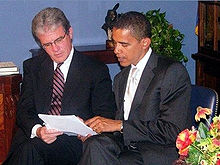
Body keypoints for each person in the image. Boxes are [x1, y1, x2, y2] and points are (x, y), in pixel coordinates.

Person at [3, 7, 115, 165]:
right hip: (38, 136)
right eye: (47, 44)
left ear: (70, 33)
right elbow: (24, 110)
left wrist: (91, 131)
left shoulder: (95, 70)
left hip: (72, 142)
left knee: (31, 150)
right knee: (29, 147)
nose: (55, 49)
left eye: (59, 40)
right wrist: (38, 130)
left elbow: (105, 114)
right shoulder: (33, 67)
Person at [78, 11, 192, 165]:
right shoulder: (121, 78)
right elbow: (120, 124)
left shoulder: (171, 72)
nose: (116, 50)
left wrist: (120, 125)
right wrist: (93, 129)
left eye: (124, 44)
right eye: (114, 43)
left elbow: (172, 130)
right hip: (127, 145)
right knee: (93, 144)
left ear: (144, 43)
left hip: (156, 151)